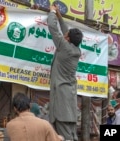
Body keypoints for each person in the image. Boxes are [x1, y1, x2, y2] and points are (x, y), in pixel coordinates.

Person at [47, 4, 83, 141]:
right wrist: (59, 15)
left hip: (61, 104)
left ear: (67, 39)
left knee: (65, 137)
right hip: (69, 103)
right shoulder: (75, 49)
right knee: (71, 136)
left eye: (66, 35)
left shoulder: (64, 47)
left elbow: (53, 28)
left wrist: (51, 12)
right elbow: (65, 31)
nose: (65, 34)